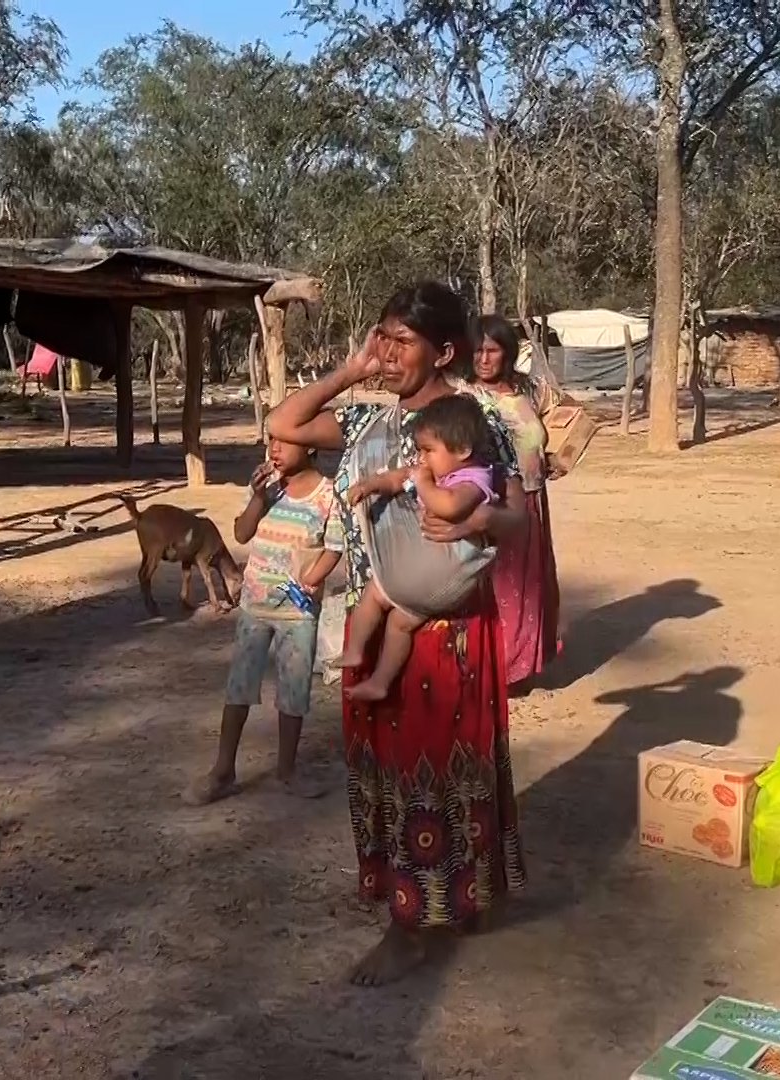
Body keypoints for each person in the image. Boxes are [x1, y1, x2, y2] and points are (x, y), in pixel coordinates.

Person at [267, 280, 528, 987]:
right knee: (390, 773)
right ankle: (424, 902)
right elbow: (285, 422)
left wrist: (479, 519)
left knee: (440, 775)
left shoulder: (474, 419)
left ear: (442, 351)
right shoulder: (365, 421)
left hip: (445, 628)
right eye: (381, 336)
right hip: (376, 615)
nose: (386, 351)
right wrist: (350, 370)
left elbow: (517, 520)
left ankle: (414, 925)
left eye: (401, 340)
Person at [186, 436, 344, 806]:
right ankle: (223, 771)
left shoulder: (329, 495)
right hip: (255, 606)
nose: (275, 449)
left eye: (285, 442)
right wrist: (258, 497)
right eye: (271, 440)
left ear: (311, 446)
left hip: (298, 612)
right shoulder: (267, 486)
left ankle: (286, 770)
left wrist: (310, 579)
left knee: (293, 692)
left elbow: (335, 547)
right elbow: (242, 533)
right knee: (239, 687)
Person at [337, 395, 499, 703]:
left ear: (462, 450)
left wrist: (423, 482)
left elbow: (449, 506)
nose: (421, 458)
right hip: (426, 579)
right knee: (398, 622)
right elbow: (397, 478)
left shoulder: (474, 478)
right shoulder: (436, 472)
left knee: (378, 593)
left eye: (428, 450)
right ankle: (373, 673)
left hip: (447, 573)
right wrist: (371, 485)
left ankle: (360, 654)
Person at [467, 314, 563, 684]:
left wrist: (555, 457)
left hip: (533, 499)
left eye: (492, 351)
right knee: (496, 585)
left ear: (507, 353)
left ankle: (520, 663)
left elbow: (563, 420)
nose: (484, 359)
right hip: (492, 503)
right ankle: (494, 666)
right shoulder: (466, 396)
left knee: (527, 586)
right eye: (477, 351)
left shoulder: (530, 390)